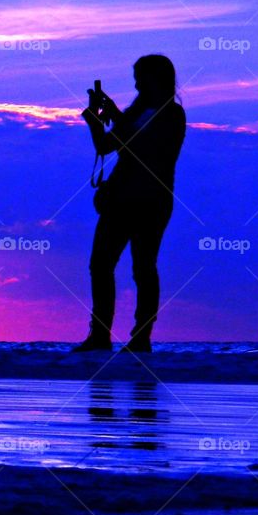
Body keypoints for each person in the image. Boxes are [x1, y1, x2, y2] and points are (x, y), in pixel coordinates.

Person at [73, 55, 186, 353]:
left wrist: (117, 116)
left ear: (157, 78)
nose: (136, 83)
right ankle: (99, 335)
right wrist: (96, 121)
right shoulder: (136, 112)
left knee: (143, 268)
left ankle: (141, 337)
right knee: (100, 265)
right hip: (120, 200)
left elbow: (146, 149)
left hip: (152, 202)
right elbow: (106, 146)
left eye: (140, 77)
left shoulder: (172, 115)